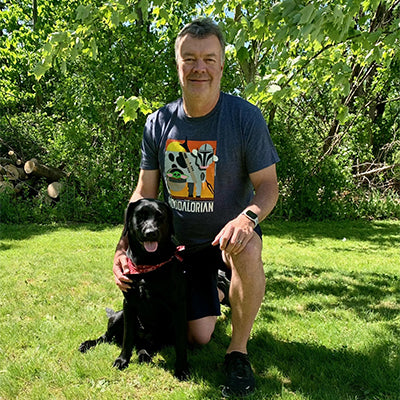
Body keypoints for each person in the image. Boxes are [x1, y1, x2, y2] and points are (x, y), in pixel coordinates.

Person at [113, 18, 279, 397]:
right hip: (182, 250)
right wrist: (122, 249)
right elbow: (144, 191)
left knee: (248, 245)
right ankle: (218, 289)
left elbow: (268, 186)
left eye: (208, 58)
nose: (199, 67)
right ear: (178, 64)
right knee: (199, 336)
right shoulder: (159, 123)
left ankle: (238, 351)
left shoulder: (244, 118)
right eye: (190, 58)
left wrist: (247, 217)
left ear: (221, 64)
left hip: (227, 242)